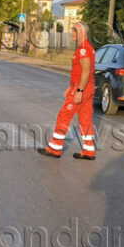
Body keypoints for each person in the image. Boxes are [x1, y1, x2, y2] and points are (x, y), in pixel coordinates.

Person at [38, 22, 96, 160]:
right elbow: (79, 72)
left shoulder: (83, 49)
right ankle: (89, 151)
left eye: (74, 31)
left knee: (63, 115)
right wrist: (70, 88)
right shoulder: (87, 48)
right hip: (86, 88)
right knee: (85, 120)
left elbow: (86, 71)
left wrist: (78, 91)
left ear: (83, 32)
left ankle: (54, 149)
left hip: (82, 88)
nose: (71, 34)